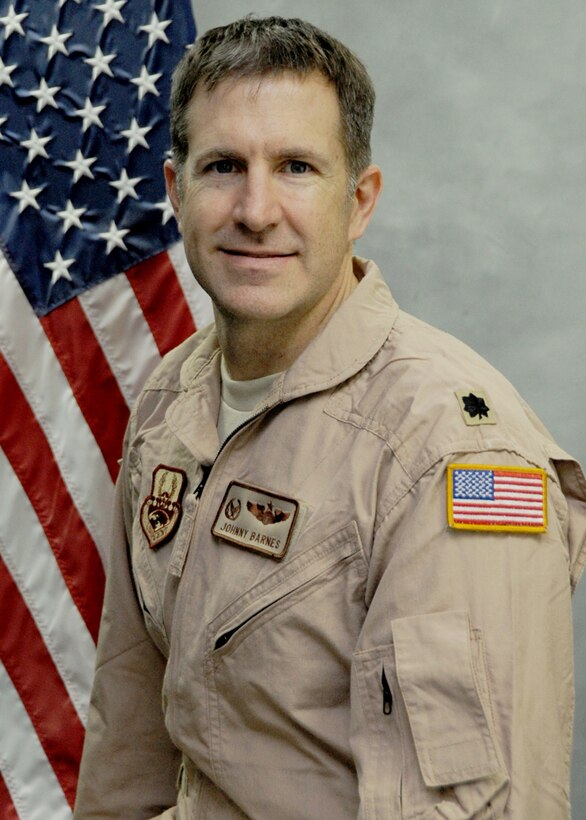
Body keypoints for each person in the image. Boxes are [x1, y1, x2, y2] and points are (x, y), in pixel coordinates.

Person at [74, 16, 586, 819]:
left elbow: (480, 809)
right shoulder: (173, 399)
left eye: (297, 167)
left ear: (360, 201)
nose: (255, 209)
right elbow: (126, 743)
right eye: (222, 167)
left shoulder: (456, 455)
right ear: (175, 192)